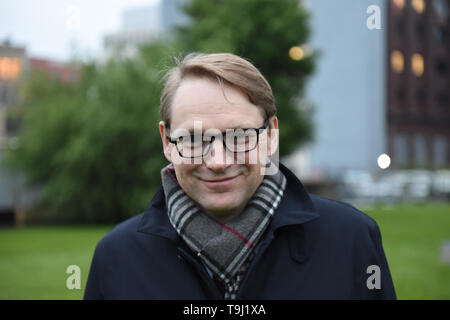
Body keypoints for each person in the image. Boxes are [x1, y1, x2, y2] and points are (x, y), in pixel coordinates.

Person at [84, 52, 396, 300]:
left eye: (240, 136)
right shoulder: (117, 257)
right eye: (193, 139)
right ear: (167, 142)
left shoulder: (351, 239)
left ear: (271, 134)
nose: (218, 161)